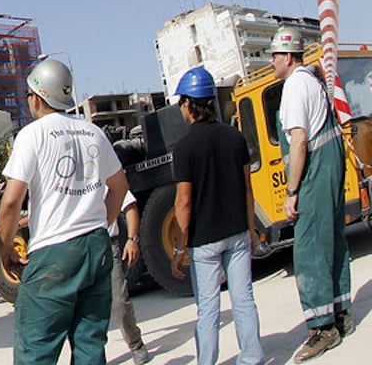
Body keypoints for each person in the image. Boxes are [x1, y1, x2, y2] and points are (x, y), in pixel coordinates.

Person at [0, 58, 128, 365]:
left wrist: (6, 249)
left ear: (35, 96)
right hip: (96, 246)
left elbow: (11, 202)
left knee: (36, 348)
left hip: (55, 253)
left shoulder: (33, 135)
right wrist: (100, 225)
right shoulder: (93, 132)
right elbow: (120, 186)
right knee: (90, 344)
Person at [169, 66, 263, 365]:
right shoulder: (234, 137)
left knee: (208, 309)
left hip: (204, 243)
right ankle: (252, 358)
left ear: (187, 103)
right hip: (237, 233)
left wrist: (178, 248)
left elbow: (184, 201)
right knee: (244, 299)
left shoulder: (184, 148)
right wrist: (251, 230)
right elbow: (248, 187)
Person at [270, 26, 354, 360]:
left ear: (287, 56)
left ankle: (322, 328)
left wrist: (292, 192)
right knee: (332, 240)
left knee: (309, 250)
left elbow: (300, 140)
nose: (272, 61)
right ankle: (340, 312)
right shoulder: (313, 81)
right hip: (331, 166)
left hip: (315, 173)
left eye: (275, 55)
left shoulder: (293, 86)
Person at [109, 191, 150, 364]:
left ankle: (136, 344)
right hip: (77, 250)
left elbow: (129, 206)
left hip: (107, 247)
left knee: (119, 302)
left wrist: (132, 239)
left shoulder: (101, 169)